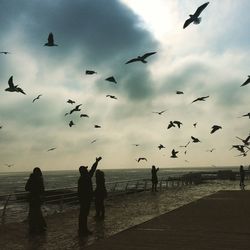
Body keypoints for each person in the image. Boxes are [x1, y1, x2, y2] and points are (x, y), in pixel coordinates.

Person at [78, 156, 102, 236]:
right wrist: (96, 162)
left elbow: (79, 192)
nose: (87, 169)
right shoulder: (87, 177)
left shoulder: (81, 179)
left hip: (83, 199)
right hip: (86, 199)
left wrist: (96, 162)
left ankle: (82, 229)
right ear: (84, 171)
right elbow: (93, 169)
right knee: (84, 215)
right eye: (86, 169)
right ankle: (83, 230)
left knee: (83, 214)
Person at [25, 167, 47, 234]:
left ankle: (33, 228)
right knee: (38, 213)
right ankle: (41, 227)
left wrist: (32, 190)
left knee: (32, 214)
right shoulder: (40, 179)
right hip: (38, 199)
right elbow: (42, 190)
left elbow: (26, 188)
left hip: (32, 199)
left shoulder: (31, 179)